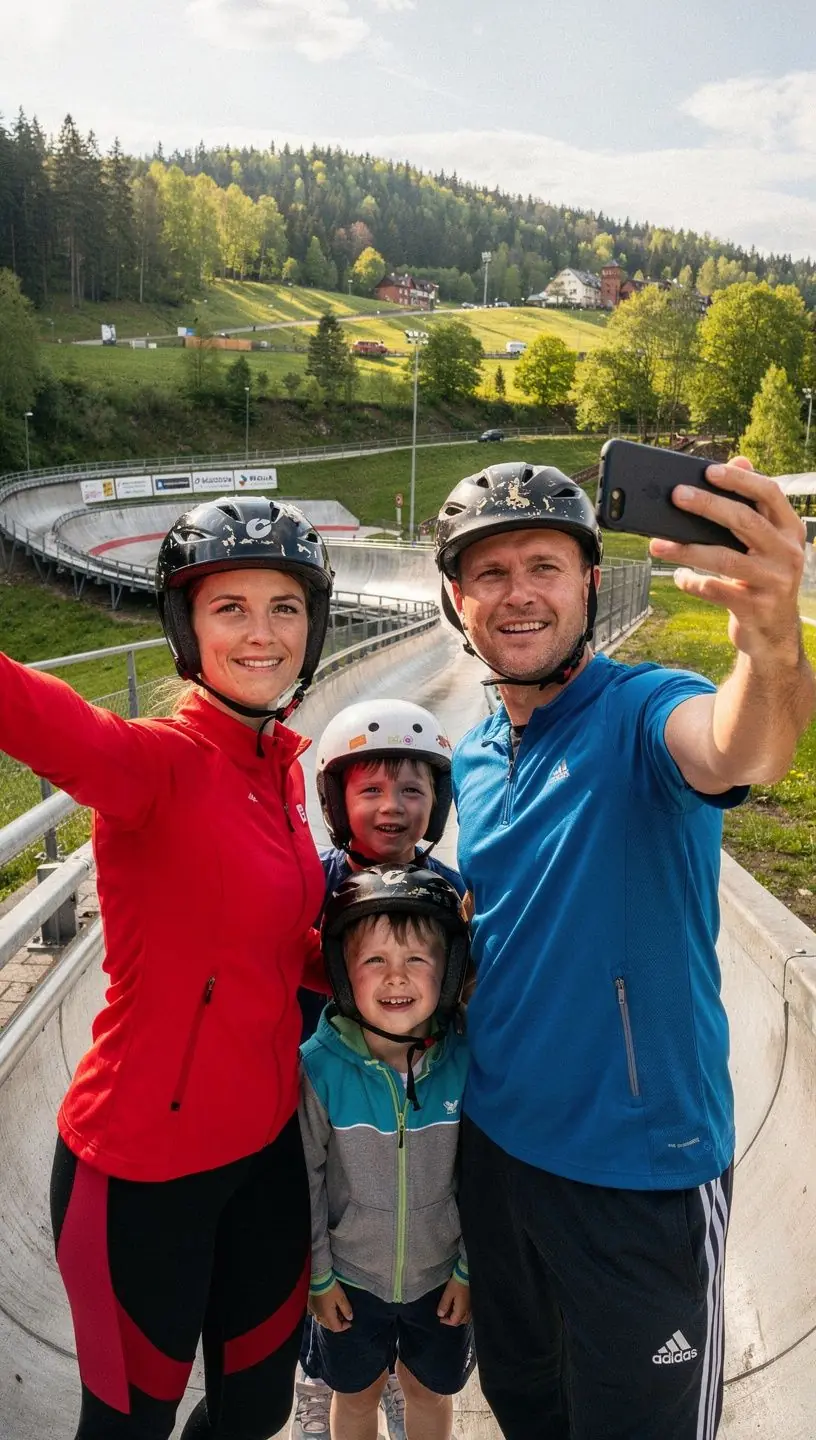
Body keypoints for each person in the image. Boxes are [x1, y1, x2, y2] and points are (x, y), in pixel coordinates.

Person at [433, 458, 815, 1440]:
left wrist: (772, 640)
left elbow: (743, 747)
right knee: (527, 1402)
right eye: (489, 572)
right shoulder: (475, 754)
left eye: (544, 565)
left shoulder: (644, 710)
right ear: (454, 598)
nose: (518, 593)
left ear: (589, 583)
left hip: (638, 1175)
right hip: (498, 1154)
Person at [0, 495, 334, 1440]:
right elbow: (35, 712)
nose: (262, 633)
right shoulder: (156, 766)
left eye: (284, 607)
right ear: (186, 627)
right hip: (141, 1169)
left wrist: (381, 970)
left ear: (314, 624)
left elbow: (271, 948)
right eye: (230, 607)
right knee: (128, 1424)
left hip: (265, 1150)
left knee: (257, 1409)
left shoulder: (280, 772)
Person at [292, 699, 464, 1440]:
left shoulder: (452, 895)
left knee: (427, 1382)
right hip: (334, 1100)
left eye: (413, 791)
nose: (392, 808)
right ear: (337, 802)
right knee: (350, 1380)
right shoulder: (315, 883)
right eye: (370, 790)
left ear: (438, 803)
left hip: (425, 1110)